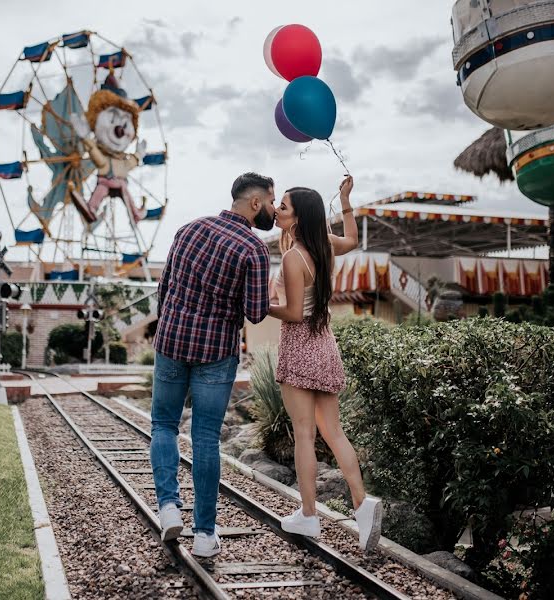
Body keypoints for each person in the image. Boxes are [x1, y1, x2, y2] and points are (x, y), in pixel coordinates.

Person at [152, 172, 275, 557]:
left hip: (171, 341)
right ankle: (205, 534)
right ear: (256, 203)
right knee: (205, 438)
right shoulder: (253, 250)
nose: (274, 208)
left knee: (164, 425)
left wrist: (173, 322)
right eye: (272, 200)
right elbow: (255, 314)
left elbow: (164, 286)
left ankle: (169, 507)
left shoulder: (189, 229)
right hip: (215, 353)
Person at [268, 175, 383, 553]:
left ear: (298, 217)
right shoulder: (323, 246)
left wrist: (258, 305)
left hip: (300, 347)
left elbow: (294, 314)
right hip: (325, 346)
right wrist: (347, 201)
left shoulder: (293, 256)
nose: (276, 210)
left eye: (283, 206)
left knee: (304, 435)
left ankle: (308, 514)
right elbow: (352, 240)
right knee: (334, 433)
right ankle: (363, 504)